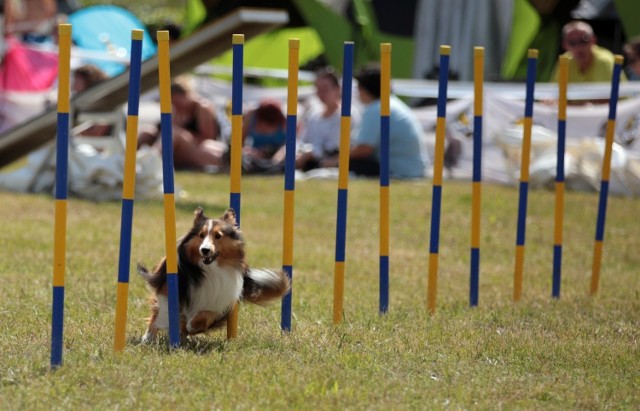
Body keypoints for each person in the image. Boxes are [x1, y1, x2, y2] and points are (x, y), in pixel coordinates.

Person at [336, 63, 428, 179]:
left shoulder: (376, 109)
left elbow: (364, 149)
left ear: (363, 89)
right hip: (413, 169)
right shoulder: (392, 103)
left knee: (348, 164)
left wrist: (336, 158)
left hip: (398, 171)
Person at [138, 76, 226, 171]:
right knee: (146, 132)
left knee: (173, 132)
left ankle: (150, 163)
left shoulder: (202, 107)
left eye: (176, 101)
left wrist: (181, 131)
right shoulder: (177, 110)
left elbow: (207, 139)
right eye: (172, 102)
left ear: (186, 95)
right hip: (176, 146)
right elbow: (162, 131)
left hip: (199, 149)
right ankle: (132, 160)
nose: (175, 105)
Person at [296, 68, 348, 172]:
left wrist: (309, 154)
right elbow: (301, 140)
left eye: (325, 89)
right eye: (318, 89)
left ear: (338, 89)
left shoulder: (346, 115)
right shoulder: (313, 113)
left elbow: (333, 147)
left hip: (328, 162)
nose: (321, 93)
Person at [550, 21, 627, 83]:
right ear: (564, 45)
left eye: (584, 40)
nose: (578, 47)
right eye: (572, 42)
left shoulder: (605, 61)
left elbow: (612, 96)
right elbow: (553, 93)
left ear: (593, 40)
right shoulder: (564, 61)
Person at [241, 99, 287, 173]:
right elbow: (239, 143)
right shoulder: (250, 116)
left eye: (270, 126)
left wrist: (276, 159)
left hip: (278, 156)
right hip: (254, 156)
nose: (266, 130)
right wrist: (248, 151)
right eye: (263, 125)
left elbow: (290, 145)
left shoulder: (285, 121)